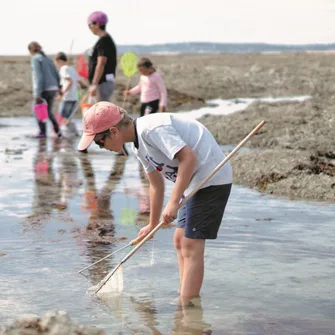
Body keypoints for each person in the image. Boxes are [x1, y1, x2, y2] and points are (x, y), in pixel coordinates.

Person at [77, 102, 233, 307]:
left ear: (113, 131)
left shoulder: (152, 129)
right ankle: (185, 295)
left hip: (210, 178)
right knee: (179, 240)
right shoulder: (138, 146)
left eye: (99, 142)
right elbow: (156, 185)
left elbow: (188, 158)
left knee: (191, 244)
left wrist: (173, 202)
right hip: (191, 183)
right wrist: (151, 224)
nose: (101, 147)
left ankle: (186, 306)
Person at [28, 41, 61, 138]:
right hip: (53, 88)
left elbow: (39, 77)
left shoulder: (35, 59)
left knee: (37, 109)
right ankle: (57, 131)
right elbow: (56, 73)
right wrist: (59, 87)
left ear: (30, 51)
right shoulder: (47, 58)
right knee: (48, 110)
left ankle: (42, 132)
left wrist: (37, 94)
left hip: (44, 89)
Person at [87, 11, 117, 102]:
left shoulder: (104, 41)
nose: (89, 28)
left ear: (97, 24)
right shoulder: (104, 40)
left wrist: (94, 84)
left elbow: (101, 63)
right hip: (101, 83)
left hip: (102, 83)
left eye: (90, 25)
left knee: (102, 112)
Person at [54, 52, 86, 137]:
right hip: (74, 97)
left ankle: (59, 134)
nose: (56, 65)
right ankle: (73, 135)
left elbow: (70, 81)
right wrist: (84, 87)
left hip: (67, 97)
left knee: (61, 117)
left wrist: (61, 94)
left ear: (59, 61)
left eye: (56, 62)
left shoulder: (63, 69)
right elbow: (80, 82)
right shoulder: (71, 68)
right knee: (68, 118)